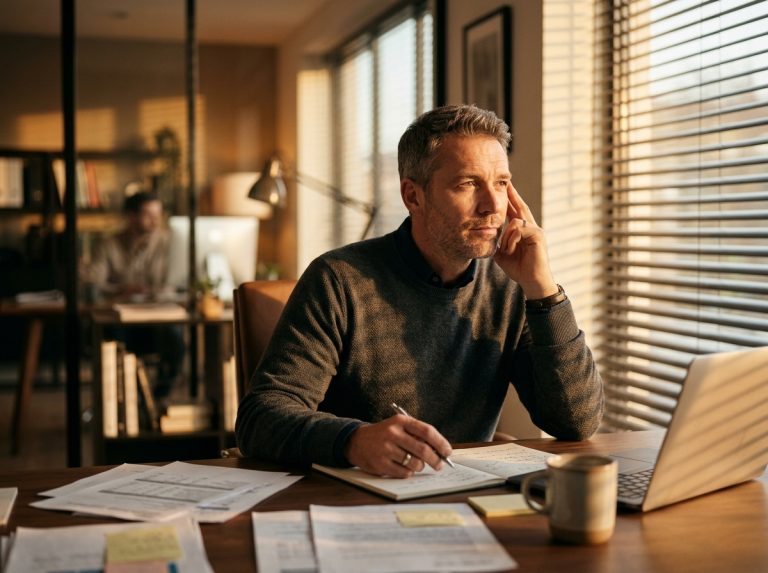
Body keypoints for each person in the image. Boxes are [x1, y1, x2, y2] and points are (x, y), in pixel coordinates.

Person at [236, 104, 603, 477]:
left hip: (466, 493)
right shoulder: (338, 279)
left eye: (501, 183)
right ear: (413, 196)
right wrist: (353, 440)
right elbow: (260, 418)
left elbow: (577, 422)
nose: (493, 206)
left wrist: (544, 291)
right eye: (468, 184)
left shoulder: (512, 286)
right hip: (355, 498)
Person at [85, 191, 184, 399]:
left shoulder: (170, 243)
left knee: (176, 336)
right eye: (148, 214)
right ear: (131, 217)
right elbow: (91, 282)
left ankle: (155, 400)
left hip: (157, 318)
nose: (155, 220)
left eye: (158, 214)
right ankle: (129, 400)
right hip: (121, 320)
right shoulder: (108, 244)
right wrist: (121, 289)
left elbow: (178, 281)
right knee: (114, 340)